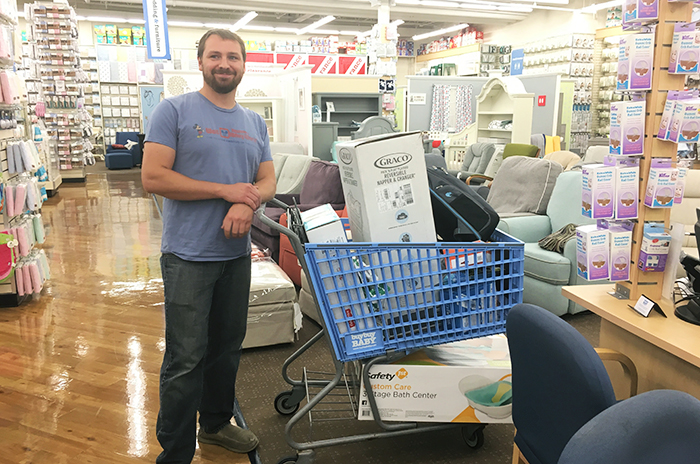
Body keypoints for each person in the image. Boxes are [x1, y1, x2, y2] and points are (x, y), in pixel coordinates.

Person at [141, 29, 276, 464]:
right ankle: (176, 453)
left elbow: (267, 180)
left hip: (236, 257)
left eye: (232, 57)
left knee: (226, 350)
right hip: (188, 258)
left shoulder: (254, 122)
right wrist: (226, 191)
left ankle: (215, 425)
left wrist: (246, 201)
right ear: (200, 62)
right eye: (215, 56)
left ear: (243, 65)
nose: (224, 64)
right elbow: (153, 177)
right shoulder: (173, 110)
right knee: (186, 358)